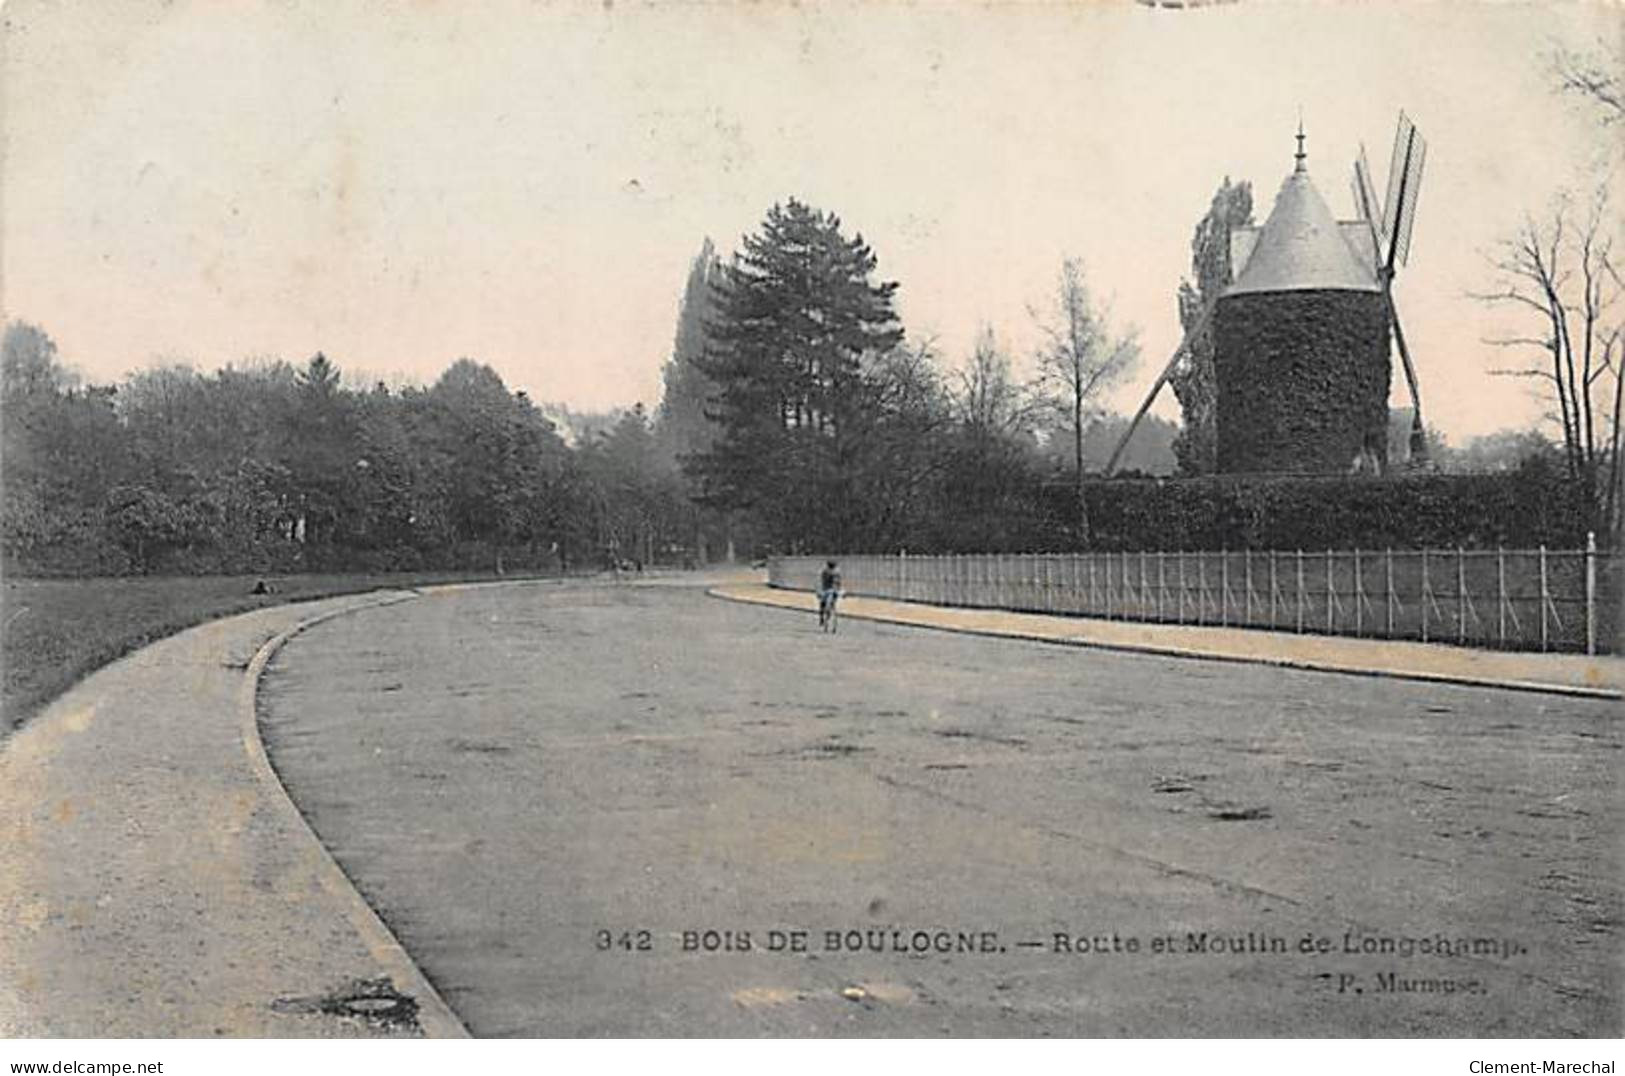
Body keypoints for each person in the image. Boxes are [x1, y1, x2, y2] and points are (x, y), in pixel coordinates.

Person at [817, 560, 842, 631]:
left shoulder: (825, 571)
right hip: (834, 591)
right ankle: (829, 614)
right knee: (833, 603)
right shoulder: (837, 572)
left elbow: (821, 581)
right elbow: (839, 583)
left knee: (822, 604)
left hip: (827, 590)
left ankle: (821, 618)